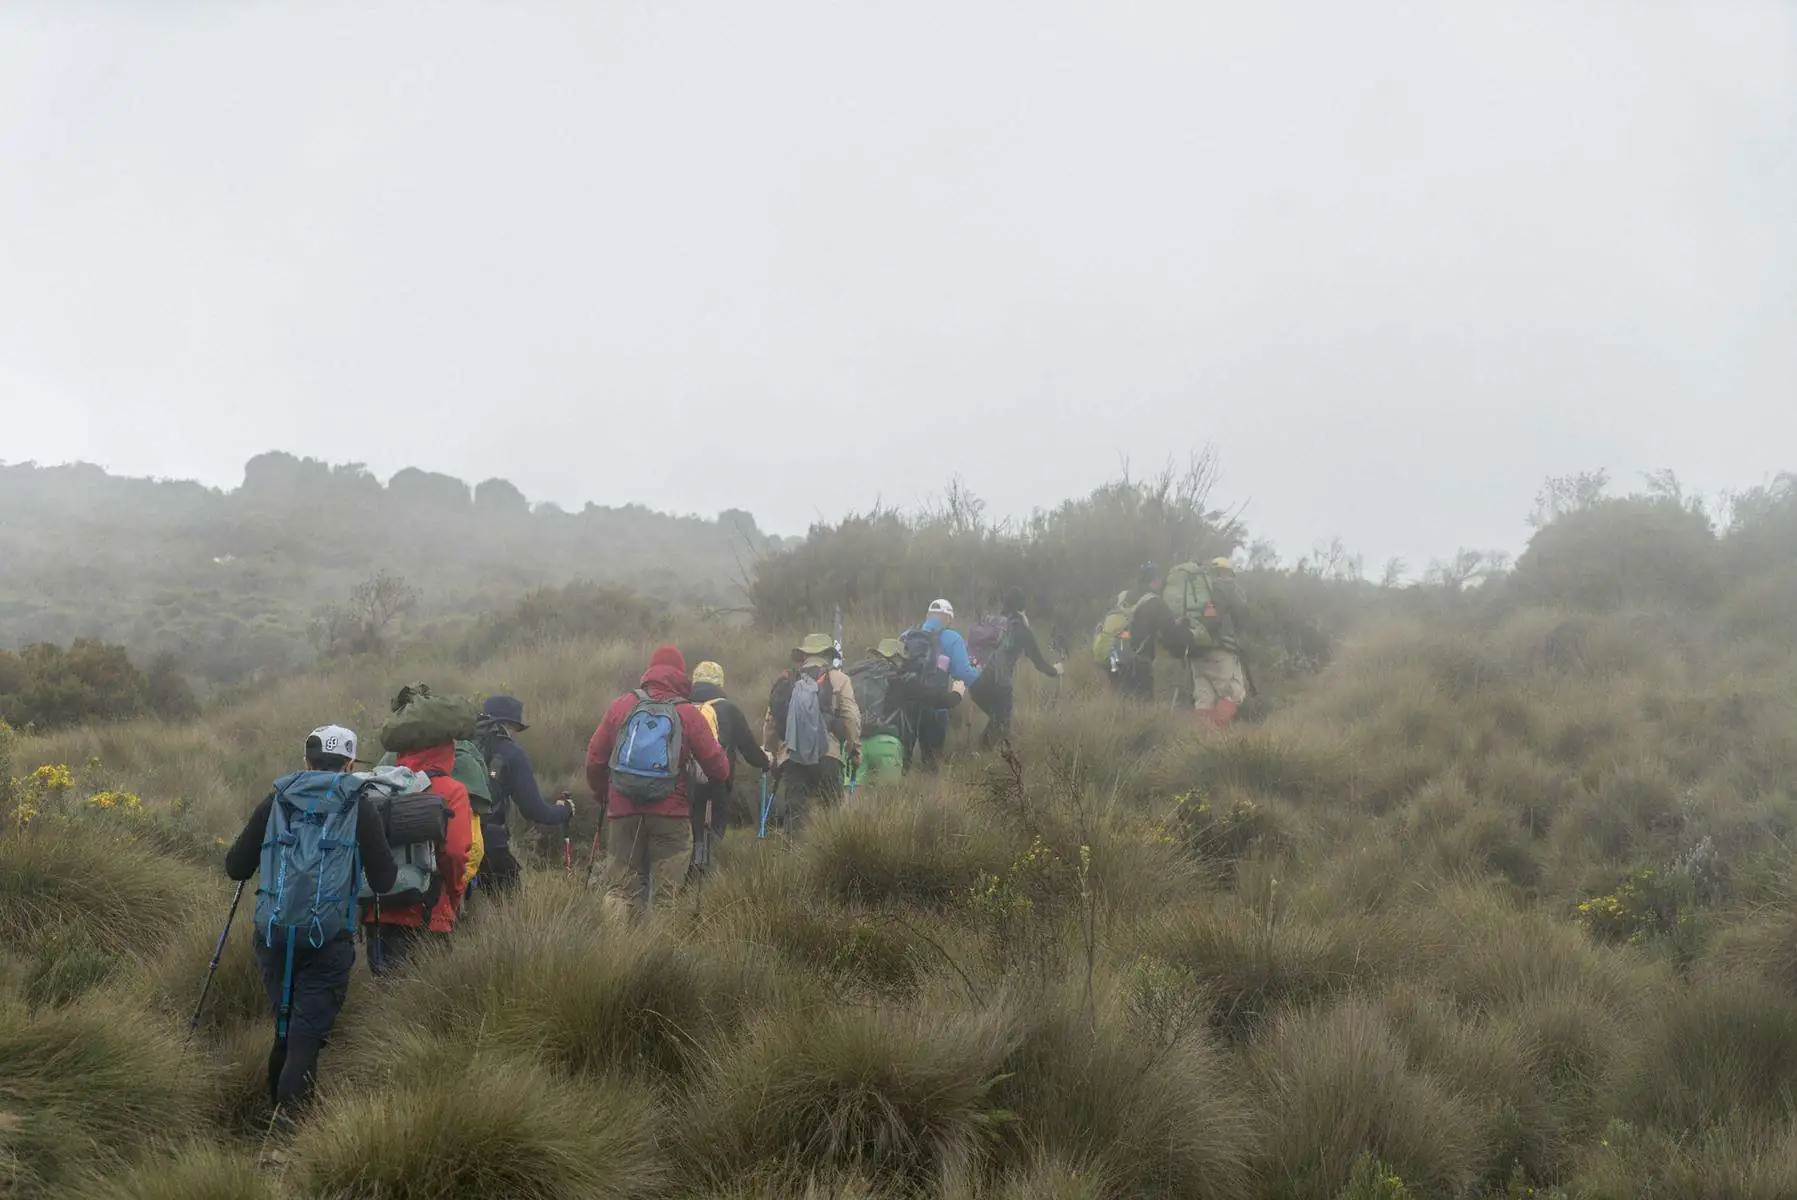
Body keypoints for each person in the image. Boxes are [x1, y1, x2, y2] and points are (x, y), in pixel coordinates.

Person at [224, 725, 397, 1132]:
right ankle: (288, 1127)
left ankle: (276, 1118)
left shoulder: (277, 799)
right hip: (329, 938)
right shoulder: (359, 805)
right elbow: (385, 880)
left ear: (307, 761)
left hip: (274, 935)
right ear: (351, 764)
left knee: (284, 1027)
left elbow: (235, 867)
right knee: (306, 1035)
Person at [584, 644, 728, 911]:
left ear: (649, 671)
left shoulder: (621, 706)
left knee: (619, 889)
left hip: (623, 811)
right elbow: (719, 768)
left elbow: (594, 757)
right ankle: (659, 951)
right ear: (680, 674)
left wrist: (603, 793)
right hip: (670, 815)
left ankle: (614, 949)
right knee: (666, 896)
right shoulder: (688, 713)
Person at [361, 735, 474, 975]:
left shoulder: (379, 785)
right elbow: (454, 853)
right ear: (447, 753)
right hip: (430, 914)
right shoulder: (453, 790)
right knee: (427, 1005)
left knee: (384, 998)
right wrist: (454, 896)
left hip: (378, 912)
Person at [473, 694, 574, 897]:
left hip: (450, 840)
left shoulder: (463, 744)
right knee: (508, 906)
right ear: (509, 725)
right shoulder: (511, 753)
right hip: (489, 844)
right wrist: (564, 811)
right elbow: (535, 810)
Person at [762, 633, 861, 833]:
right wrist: (854, 748)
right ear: (827, 654)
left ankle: (793, 857)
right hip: (828, 754)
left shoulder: (787, 680)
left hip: (792, 756)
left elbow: (771, 721)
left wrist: (771, 752)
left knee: (795, 816)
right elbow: (851, 716)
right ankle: (829, 856)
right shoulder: (839, 679)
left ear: (804, 655)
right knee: (830, 813)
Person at [687, 660, 771, 852]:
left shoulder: (683, 706)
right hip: (719, 781)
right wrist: (765, 761)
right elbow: (749, 749)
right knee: (715, 835)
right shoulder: (728, 709)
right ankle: (710, 870)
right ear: (719, 683)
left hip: (687, 782)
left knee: (690, 831)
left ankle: (689, 871)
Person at [968, 586, 1063, 748]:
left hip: (975, 682)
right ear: (1022, 608)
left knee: (996, 720)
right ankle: (984, 757)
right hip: (998, 685)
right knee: (1002, 726)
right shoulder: (1021, 630)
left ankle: (978, 752)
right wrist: (1055, 670)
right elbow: (1038, 662)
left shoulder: (994, 623)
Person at [911, 599, 980, 767]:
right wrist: (980, 671)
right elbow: (964, 674)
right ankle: (931, 788)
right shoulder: (952, 638)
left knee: (906, 759)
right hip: (937, 706)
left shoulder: (909, 635)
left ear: (927, 615)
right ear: (949, 618)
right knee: (931, 761)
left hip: (908, 707)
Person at [1188, 557, 1251, 727]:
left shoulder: (1195, 587)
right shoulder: (1227, 584)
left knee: (1204, 699)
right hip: (1221, 649)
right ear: (1227, 571)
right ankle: (1217, 739)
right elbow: (1242, 611)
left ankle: (1200, 741)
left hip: (1196, 651)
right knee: (1234, 693)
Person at [846, 638, 911, 783]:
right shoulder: (898, 679)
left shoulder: (854, 674)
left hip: (855, 742)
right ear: (896, 657)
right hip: (886, 741)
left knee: (851, 794)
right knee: (888, 797)